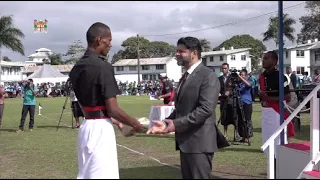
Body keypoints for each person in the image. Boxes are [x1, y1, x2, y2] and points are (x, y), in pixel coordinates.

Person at [69, 22, 145, 179]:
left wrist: (115, 121)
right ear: (99, 40)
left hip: (86, 127)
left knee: (87, 174)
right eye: (108, 40)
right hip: (100, 130)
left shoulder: (76, 67)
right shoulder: (103, 67)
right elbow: (113, 109)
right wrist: (136, 124)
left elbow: (88, 106)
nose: (110, 45)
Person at [147, 36, 221, 179]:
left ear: (194, 53)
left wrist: (175, 124)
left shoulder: (208, 76)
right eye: (177, 51)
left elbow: (206, 109)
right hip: (186, 142)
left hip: (199, 142)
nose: (177, 54)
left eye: (181, 51)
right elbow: (182, 108)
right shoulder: (186, 76)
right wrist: (166, 121)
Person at [259, 51, 295, 177]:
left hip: (276, 113)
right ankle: (272, 173)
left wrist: (268, 99)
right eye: (263, 58)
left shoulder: (281, 77)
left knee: (278, 146)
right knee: (268, 147)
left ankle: (279, 173)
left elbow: (287, 96)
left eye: (266, 58)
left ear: (274, 61)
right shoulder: (262, 76)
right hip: (266, 113)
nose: (263, 60)